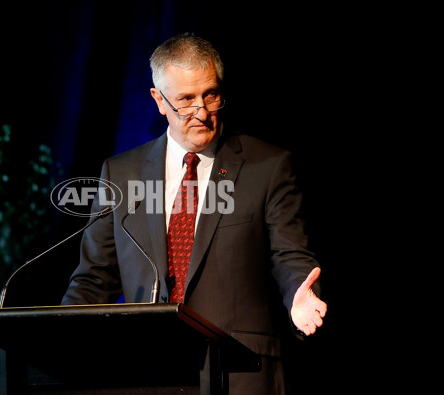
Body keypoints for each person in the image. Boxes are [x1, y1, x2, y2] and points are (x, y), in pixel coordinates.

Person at [61, 33, 327, 395]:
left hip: (240, 372)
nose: (201, 112)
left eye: (210, 95)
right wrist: (60, 338)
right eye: (186, 100)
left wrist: (299, 292)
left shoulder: (267, 166)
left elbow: (289, 254)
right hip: (146, 374)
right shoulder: (122, 174)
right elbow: (94, 280)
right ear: (159, 100)